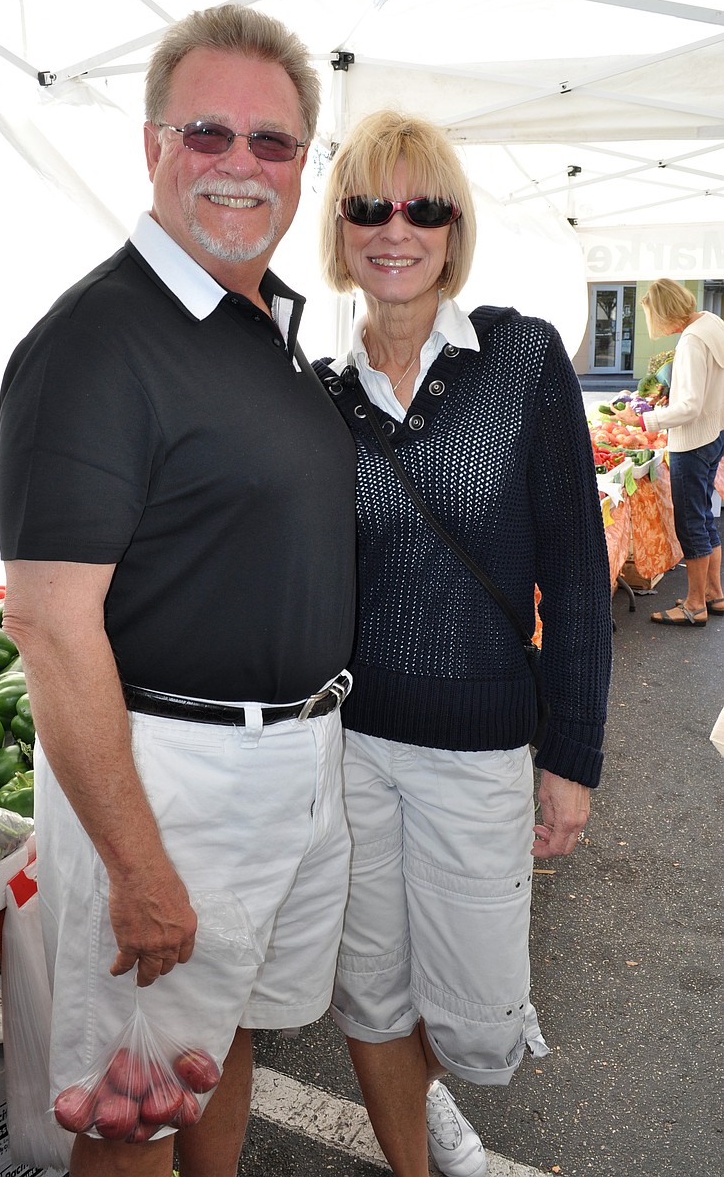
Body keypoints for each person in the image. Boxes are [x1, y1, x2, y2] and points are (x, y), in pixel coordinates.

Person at [0, 3, 357, 1177]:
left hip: (292, 763)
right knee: (131, 1109)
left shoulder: (262, 319)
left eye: (273, 143)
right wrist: (139, 867)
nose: (241, 164)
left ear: (305, 163)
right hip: (177, 783)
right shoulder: (100, 339)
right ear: (151, 143)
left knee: (216, 1041)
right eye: (209, 133)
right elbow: (49, 624)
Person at [314, 110, 613, 1177]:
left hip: (480, 750)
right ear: (338, 225)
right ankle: (413, 1158)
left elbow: (577, 572)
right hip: (346, 749)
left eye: (423, 205)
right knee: (367, 985)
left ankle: (439, 1093)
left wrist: (571, 755)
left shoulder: (520, 358)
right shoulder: (317, 392)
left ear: (454, 225)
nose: (396, 229)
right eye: (369, 205)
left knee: (478, 1011)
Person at [610, 278, 724, 626]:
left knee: (691, 525)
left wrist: (642, 418)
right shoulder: (712, 322)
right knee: (704, 518)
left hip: (692, 440)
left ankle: (693, 606)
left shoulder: (691, 342)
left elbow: (689, 406)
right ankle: (714, 594)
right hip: (714, 432)